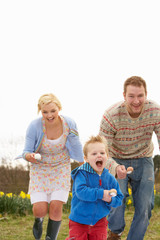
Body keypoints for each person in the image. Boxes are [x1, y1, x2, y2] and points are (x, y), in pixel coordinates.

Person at [99, 76, 160, 240]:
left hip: (144, 158)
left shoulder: (155, 111)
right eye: (131, 96)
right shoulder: (110, 116)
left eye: (140, 95)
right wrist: (115, 167)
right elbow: (102, 152)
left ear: (146, 94)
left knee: (146, 205)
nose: (136, 101)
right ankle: (115, 231)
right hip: (117, 159)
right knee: (117, 198)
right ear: (124, 95)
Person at [20, 93, 84, 240]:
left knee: (56, 205)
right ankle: (38, 221)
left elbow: (76, 144)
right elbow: (26, 152)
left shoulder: (69, 123)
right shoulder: (34, 126)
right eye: (45, 112)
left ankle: (50, 238)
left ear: (59, 108)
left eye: (53, 111)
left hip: (61, 167)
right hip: (40, 169)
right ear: (40, 111)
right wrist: (28, 156)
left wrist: (83, 165)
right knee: (40, 209)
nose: (49, 115)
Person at [66, 135, 124, 240]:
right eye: (94, 154)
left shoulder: (110, 178)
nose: (99, 156)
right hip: (79, 221)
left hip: (99, 223)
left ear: (107, 156)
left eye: (102, 153)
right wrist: (101, 194)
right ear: (86, 158)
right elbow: (81, 191)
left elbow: (119, 198)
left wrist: (110, 199)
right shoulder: (82, 173)